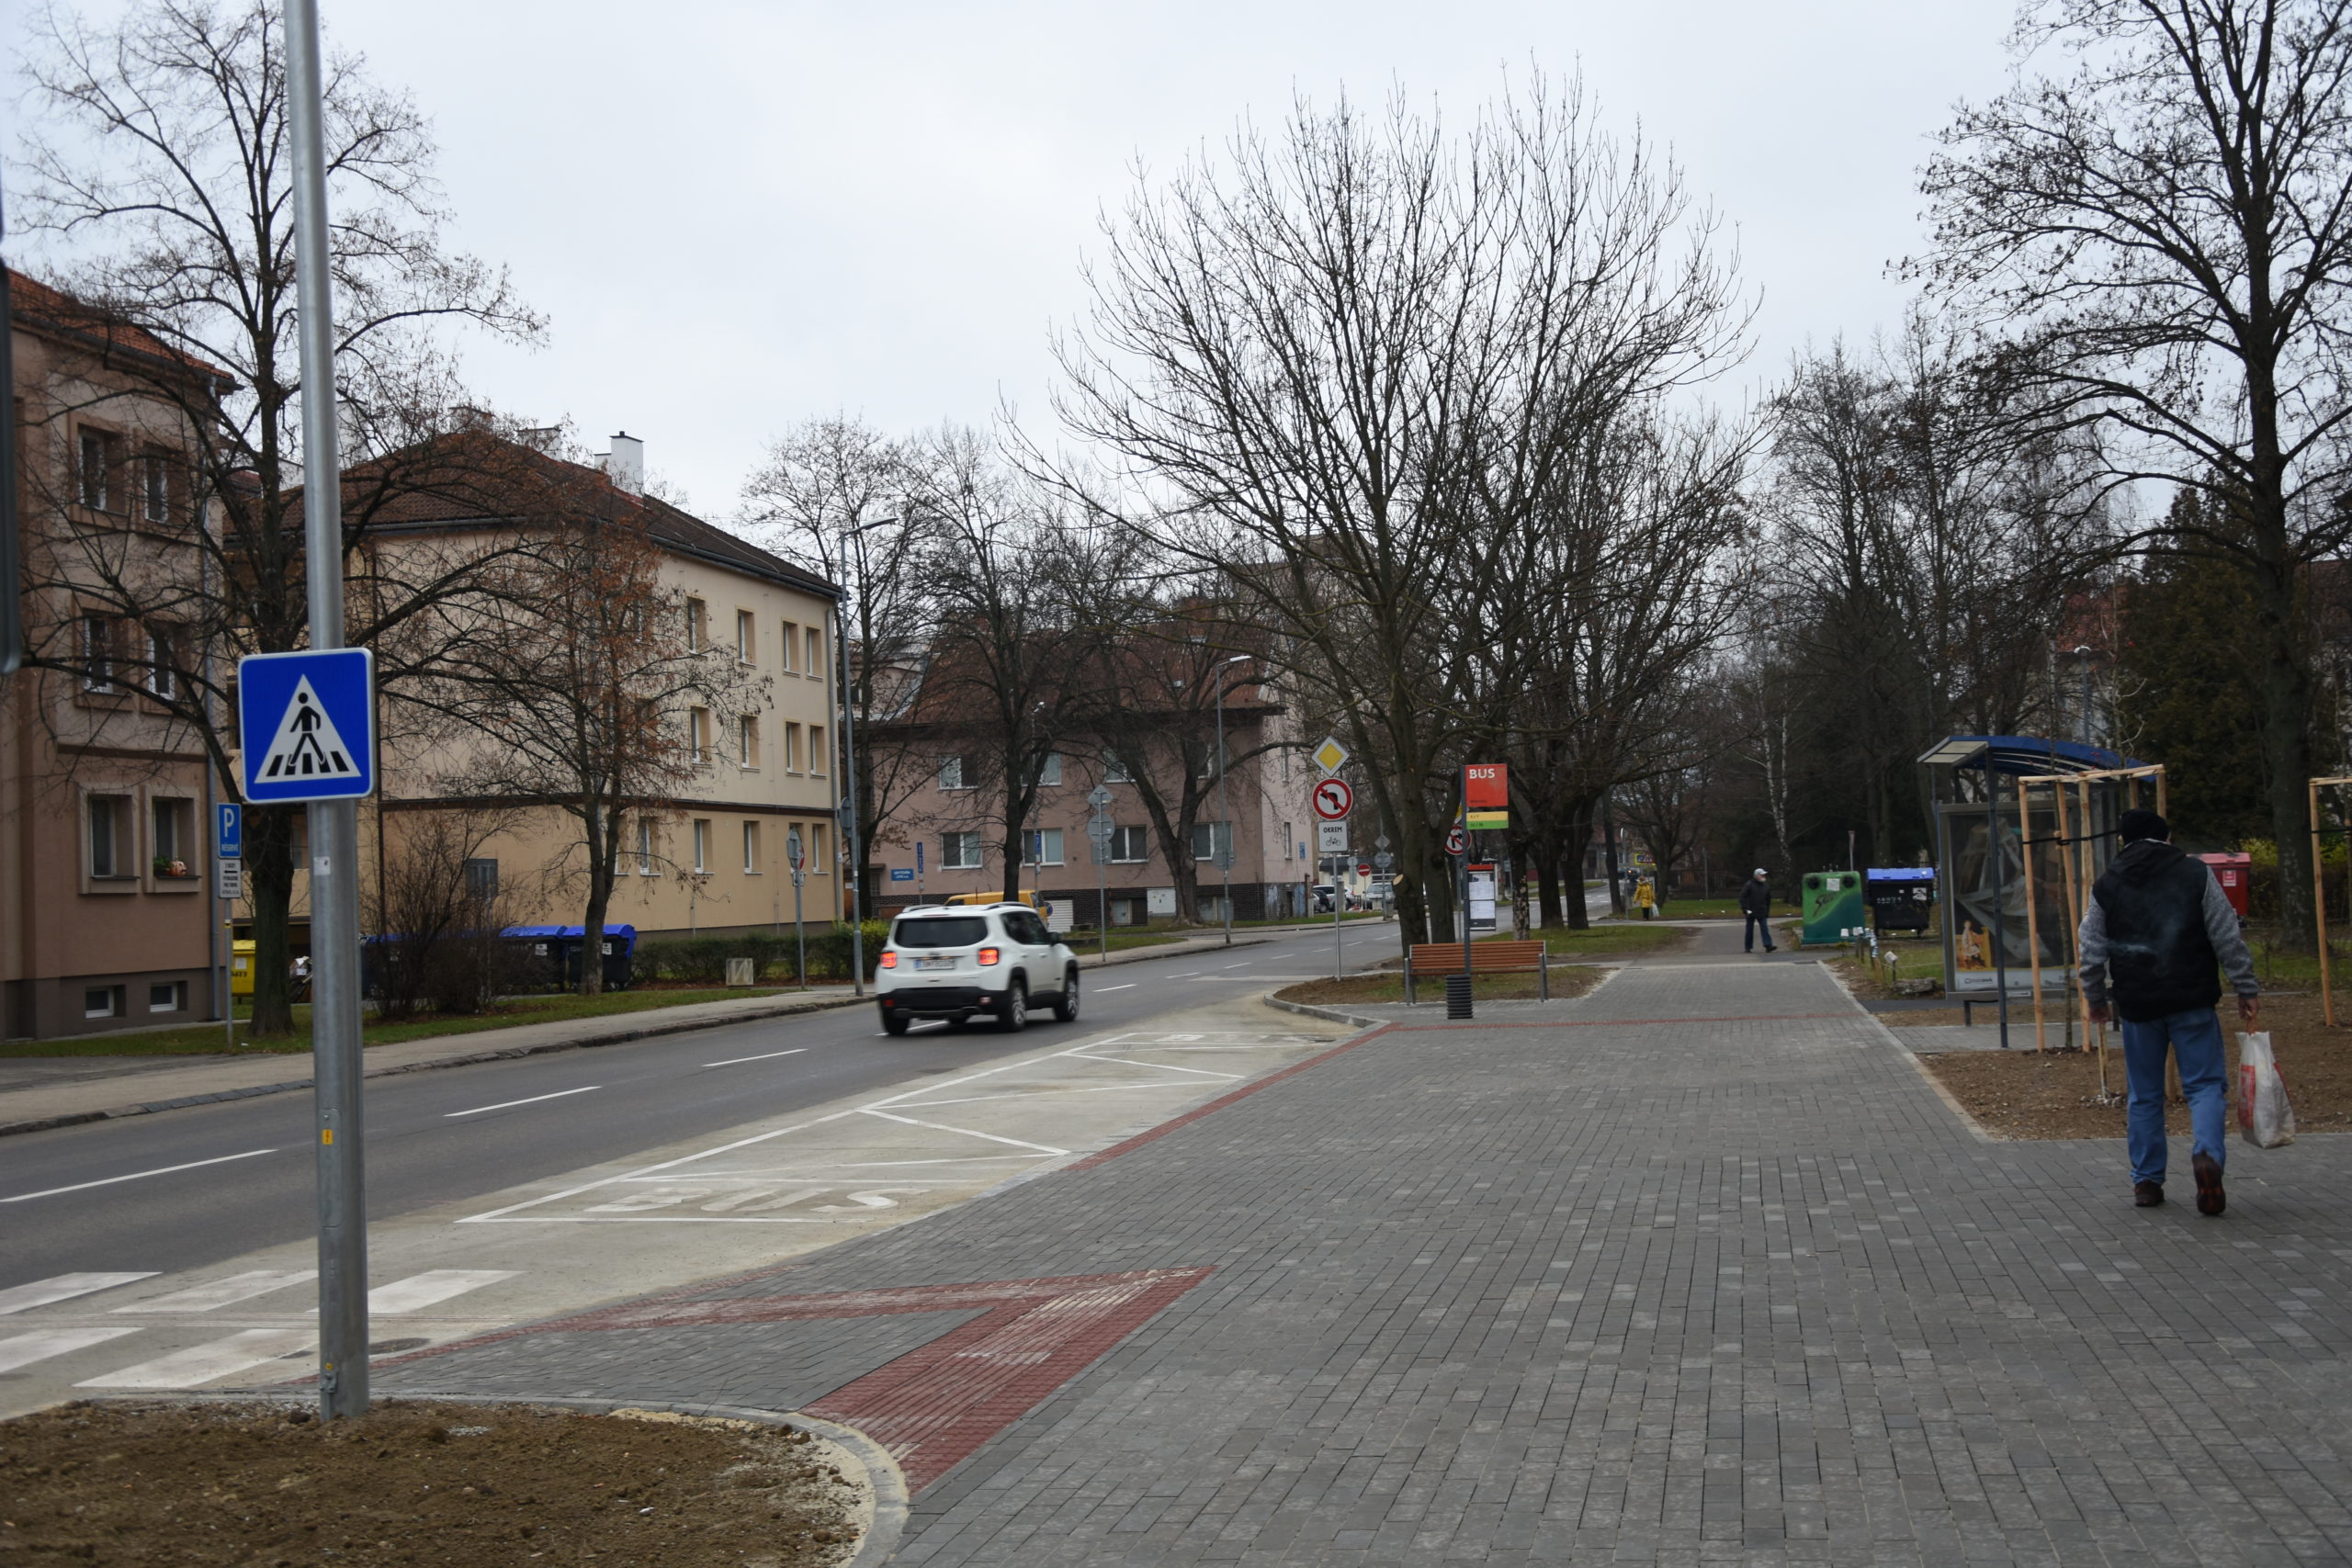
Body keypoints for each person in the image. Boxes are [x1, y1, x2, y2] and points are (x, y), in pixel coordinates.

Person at [2078, 807, 2257, 1215]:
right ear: (2167, 837)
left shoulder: (2107, 884)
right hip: (2192, 998)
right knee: (2205, 1086)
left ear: (2123, 841)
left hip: (2138, 1004)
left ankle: (2146, 1181)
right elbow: (2226, 934)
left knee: (2144, 1094)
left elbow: (2091, 947)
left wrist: (2095, 997)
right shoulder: (2195, 873)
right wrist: (2245, 986)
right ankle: (2207, 1157)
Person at [1740, 868, 1776, 953]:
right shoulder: (1749, 885)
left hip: (1761, 910)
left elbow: (1768, 900)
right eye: (1761, 875)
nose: (1763, 876)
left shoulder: (1766, 886)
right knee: (1749, 929)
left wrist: (1767, 911)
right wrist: (1745, 909)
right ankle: (1748, 947)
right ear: (1756, 876)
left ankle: (1768, 945)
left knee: (1764, 928)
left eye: (1764, 875)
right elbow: (1743, 897)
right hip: (1751, 910)